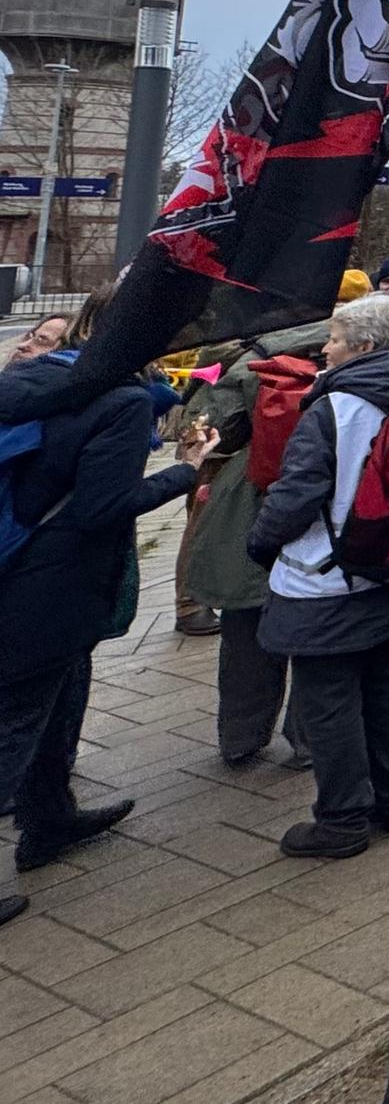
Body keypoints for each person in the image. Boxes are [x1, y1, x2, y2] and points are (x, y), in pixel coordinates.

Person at [0, 325, 215, 925]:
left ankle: (49, 821)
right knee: (14, 724)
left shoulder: (32, 382)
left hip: (19, 568)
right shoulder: (121, 402)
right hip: (53, 585)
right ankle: (44, 817)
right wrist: (187, 469)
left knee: (57, 702)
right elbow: (100, 509)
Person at [246, 295, 389, 859]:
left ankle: (342, 819)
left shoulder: (335, 406)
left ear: (364, 347)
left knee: (329, 700)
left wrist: (261, 543)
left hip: (327, 582)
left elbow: (295, 496)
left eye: (336, 338)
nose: (325, 347)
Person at [181, 320, 329, 769]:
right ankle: (308, 740)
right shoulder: (346, 350)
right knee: (315, 630)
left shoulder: (250, 356)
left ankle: (241, 736)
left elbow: (201, 430)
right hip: (322, 505)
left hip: (248, 501)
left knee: (245, 630)